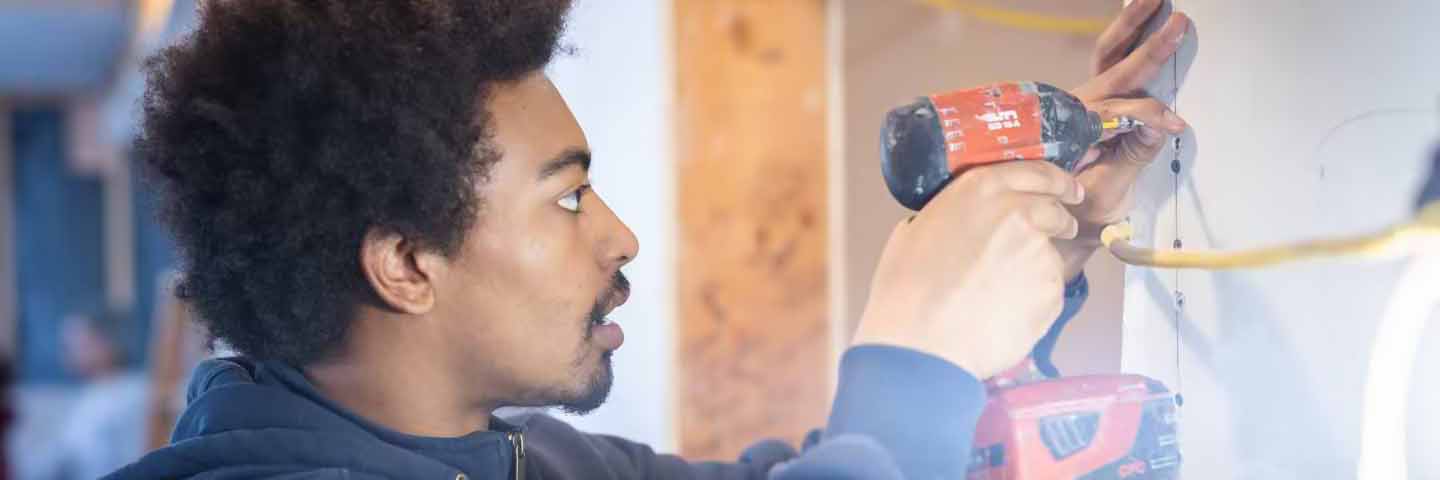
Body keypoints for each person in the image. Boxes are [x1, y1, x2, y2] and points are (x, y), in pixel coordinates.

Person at [107, 0, 1189, 478]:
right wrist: (911, 355)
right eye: (569, 199)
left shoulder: (527, 461)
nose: (622, 237)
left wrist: (1045, 228)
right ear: (405, 264)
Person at [33, 311, 148, 480]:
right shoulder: (90, 395)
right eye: (67, 345)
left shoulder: (133, 393)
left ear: (106, 342)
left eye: (78, 344)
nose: (69, 353)